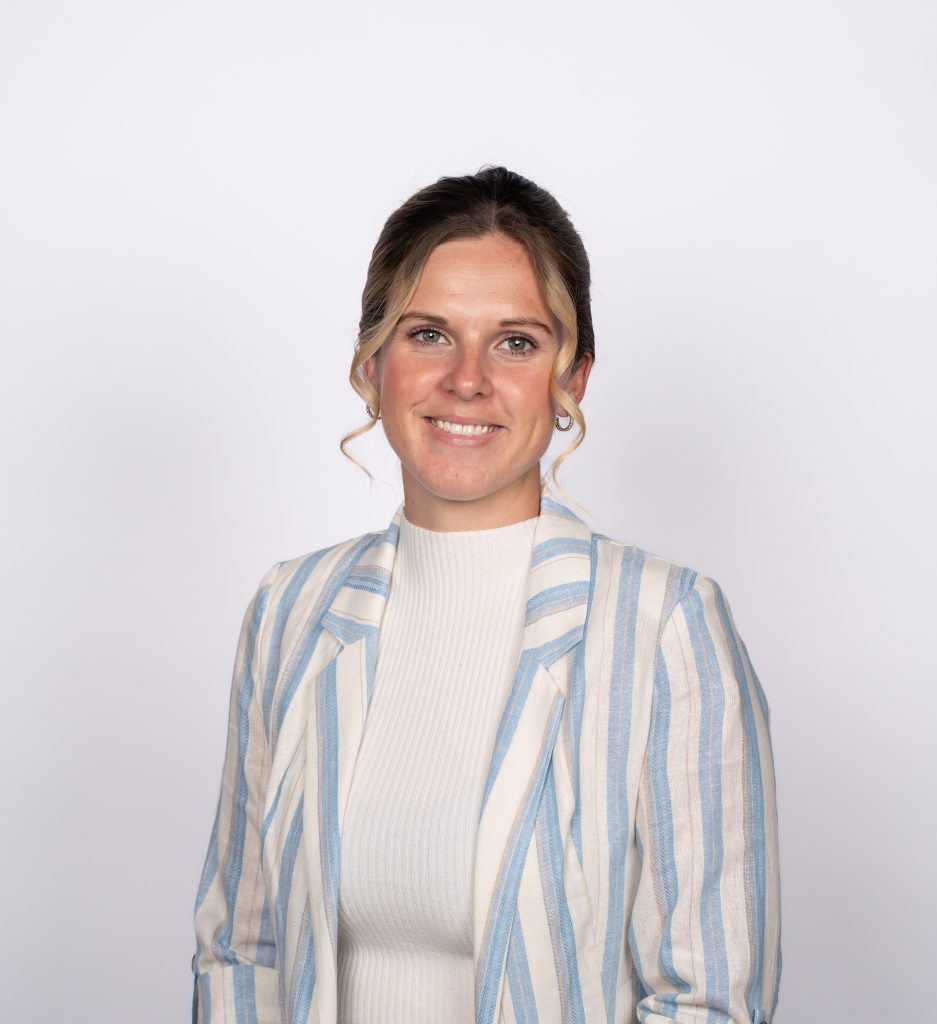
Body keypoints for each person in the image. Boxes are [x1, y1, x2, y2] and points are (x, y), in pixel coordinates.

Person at [191, 166, 782, 1024]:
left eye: (515, 342)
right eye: (428, 334)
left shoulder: (663, 625)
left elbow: (710, 998)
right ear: (372, 362)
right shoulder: (291, 608)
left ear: (573, 378)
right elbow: (240, 950)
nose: (466, 379)